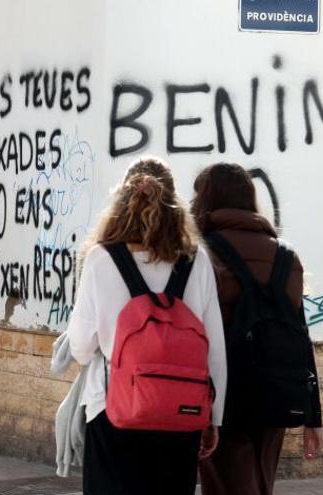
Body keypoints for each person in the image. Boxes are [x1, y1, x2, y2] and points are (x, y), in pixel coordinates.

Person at [67, 157, 227, 495]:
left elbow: (80, 348)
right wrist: (214, 416)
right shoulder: (195, 260)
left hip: (112, 408)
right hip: (180, 410)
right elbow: (212, 348)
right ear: (175, 202)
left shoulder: (101, 259)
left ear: (121, 202)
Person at [192, 163, 323, 495]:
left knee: (225, 486)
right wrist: (314, 417)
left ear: (206, 199)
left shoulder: (201, 253)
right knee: (259, 485)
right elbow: (301, 336)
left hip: (224, 394)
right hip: (278, 391)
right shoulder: (286, 257)